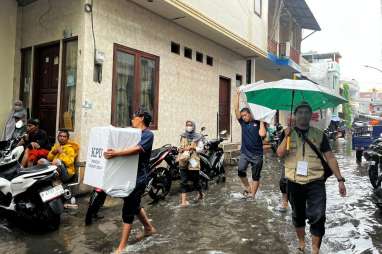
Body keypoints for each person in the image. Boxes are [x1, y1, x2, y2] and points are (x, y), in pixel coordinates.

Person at [276, 101, 347, 254]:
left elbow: (330, 158)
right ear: (295, 115)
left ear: (310, 115)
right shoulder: (286, 133)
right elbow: (280, 154)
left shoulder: (319, 134)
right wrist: (286, 136)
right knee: (298, 215)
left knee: (319, 216)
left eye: (306, 112)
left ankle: (315, 249)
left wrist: (340, 180)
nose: (303, 115)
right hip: (294, 181)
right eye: (300, 112)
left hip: (316, 181)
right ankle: (301, 242)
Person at [103, 110, 156, 253]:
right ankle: (149, 228)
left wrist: (115, 153)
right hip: (128, 175)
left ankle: (122, 247)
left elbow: (137, 149)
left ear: (142, 118)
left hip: (138, 177)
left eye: (134, 117)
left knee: (128, 209)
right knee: (134, 204)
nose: (132, 119)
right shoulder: (132, 134)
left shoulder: (148, 134)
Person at [234, 89, 267, 198]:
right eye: (242, 116)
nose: (243, 117)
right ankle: (248, 188)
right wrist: (237, 95)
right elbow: (235, 109)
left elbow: (262, 135)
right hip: (245, 153)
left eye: (245, 115)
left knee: (255, 176)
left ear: (250, 114)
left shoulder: (258, 122)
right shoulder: (243, 123)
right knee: (240, 170)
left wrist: (261, 121)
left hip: (257, 155)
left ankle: (252, 195)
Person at [177, 121, 204, 207]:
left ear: (194, 126)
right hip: (184, 159)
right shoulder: (183, 136)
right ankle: (184, 201)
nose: (189, 127)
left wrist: (193, 147)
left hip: (193, 160)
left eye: (190, 125)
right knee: (183, 181)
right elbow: (180, 146)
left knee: (195, 180)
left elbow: (201, 149)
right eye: (187, 125)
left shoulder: (198, 137)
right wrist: (179, 149)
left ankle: (200, 194)